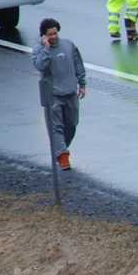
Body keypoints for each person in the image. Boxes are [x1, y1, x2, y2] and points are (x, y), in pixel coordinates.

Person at [32, 18, 86, 171]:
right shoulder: (39, 50)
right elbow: (40, 66)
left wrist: (82, 84)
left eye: (55, 33)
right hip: (53, 95)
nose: (54, 36)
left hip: (70, 92)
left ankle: (59, 149)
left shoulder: (69, 45)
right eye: (50, 34)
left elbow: (78, 64)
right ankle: (63, 156)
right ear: (44, 36)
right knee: (56, 127)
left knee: (72, 124)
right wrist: (47, 49)